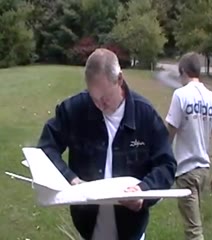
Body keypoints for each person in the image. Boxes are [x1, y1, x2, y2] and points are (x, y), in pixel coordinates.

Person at [37, 48, 177, 240]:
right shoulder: (74, 109)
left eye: (104, 98)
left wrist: (144, 191)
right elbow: (46, 148)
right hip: (88, 224)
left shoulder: (145, 115)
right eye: (94, 98)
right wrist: (70, 178)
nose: (100, 105)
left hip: (131, 226)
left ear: (119, 80)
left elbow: (166, 164)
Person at [165, 52, 212, 240]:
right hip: (203, 171)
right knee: (193, 223)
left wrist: (160, 159)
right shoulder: (211, 97)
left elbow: (170, 132)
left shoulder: (180, 95)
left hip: (186, 171)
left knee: (194, 231)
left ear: (183, 71)